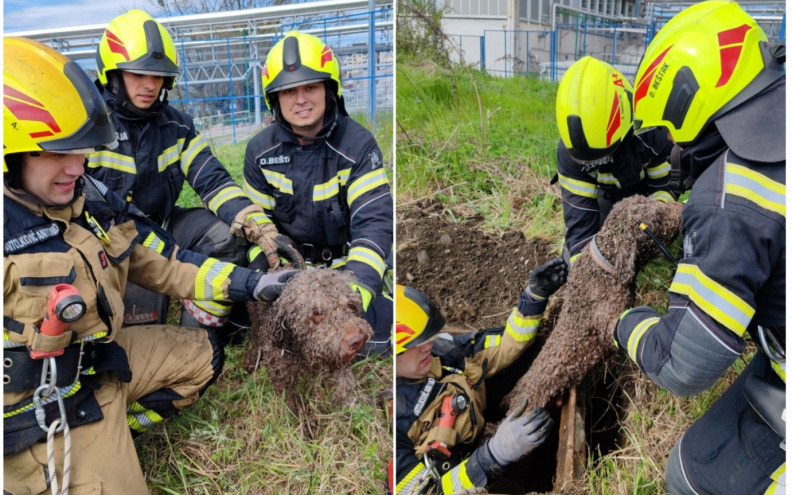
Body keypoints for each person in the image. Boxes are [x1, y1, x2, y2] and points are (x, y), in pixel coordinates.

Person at [3, 37, 295, 494]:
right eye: (56, 153)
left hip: (100, 362)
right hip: (36, 410)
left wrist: (255, 284)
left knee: (203, 354)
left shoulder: (91, 198)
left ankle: (122, 431)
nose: (77, 168)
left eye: (81, 152)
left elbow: (166, 258)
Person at [613, 2, 785, 493]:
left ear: (688, 104)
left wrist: (621, 322)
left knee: (692, 475)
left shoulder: (733, 195)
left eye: (669, 131)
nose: (672, 149)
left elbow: (684, 365)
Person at [86, 9, 298, 334]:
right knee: (130, 325)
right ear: (112, 75)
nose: (149, 85)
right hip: (103, 241)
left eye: (157, 76)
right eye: (138, 74)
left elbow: (213, 182)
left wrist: (262, 229)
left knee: (224, 240)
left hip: (162, 225)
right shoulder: (88, 128)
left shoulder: (177, 126)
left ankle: (198, 336)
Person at [244, 30, 394, 356]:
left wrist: (355, 293)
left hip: (346, 273)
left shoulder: (358, 145)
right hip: (292, 277)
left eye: (310, 87)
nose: (300, 99)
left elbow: (375, 223)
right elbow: (257, 231)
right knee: (247, 327)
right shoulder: (259, 152)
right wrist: (270, 283)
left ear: (329, 89)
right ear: (274, 99)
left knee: (379, 338)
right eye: (288, 91)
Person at [394, 257, 567, 494]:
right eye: (415, 344)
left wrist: (533, 298)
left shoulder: (443, 352)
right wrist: (495, 454)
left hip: (482, 440)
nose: (427, 347)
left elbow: (505, 344)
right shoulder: (393, 425)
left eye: (428, 337)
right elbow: (428, 492)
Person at [554, 56, 676, 265]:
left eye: (604, 153)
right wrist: (586, 268)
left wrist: (651, 219)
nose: (600, 161)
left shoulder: (653, 133)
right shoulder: (570, 155)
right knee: (583, 251)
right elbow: (581, 225)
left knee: (656, 238)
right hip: (607, 195)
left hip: (647, 195)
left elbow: (665, 187)